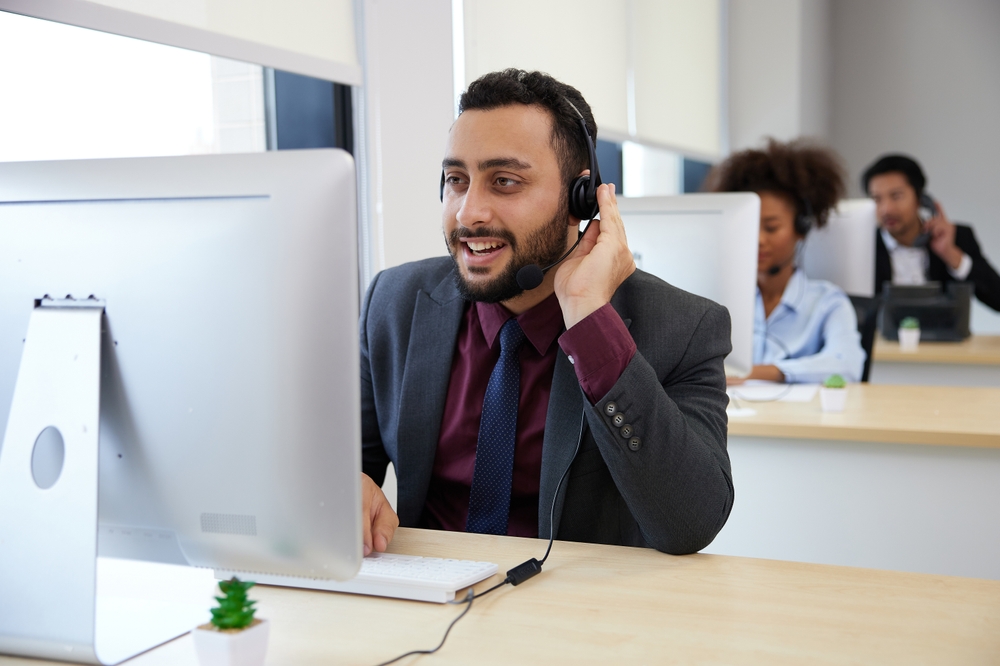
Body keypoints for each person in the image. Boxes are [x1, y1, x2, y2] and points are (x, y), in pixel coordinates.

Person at [358, 69, 734, 557]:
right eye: (456, 180)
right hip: (427, 606)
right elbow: (342, 459)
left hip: (579, 617)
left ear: (581, 197)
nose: (469, 212)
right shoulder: (395, 301)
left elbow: (690, 523)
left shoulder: (683, 327)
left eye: (505, 182)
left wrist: (589, 318)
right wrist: (346, 484)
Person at [707, 139, 866, 385]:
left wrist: (756, 373)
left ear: (801, 228)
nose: (758, 239)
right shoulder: (719, 302)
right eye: (749, 226)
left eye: (771, 227)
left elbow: (846, 365)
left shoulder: (827, 302)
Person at [862, 154, 1000, 312]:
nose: (886, 209)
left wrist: (951, 255)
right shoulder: (864, 247)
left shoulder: (957, 237)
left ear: (920, 198)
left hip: (943, 335)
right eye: (877, 199)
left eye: (896, 196)